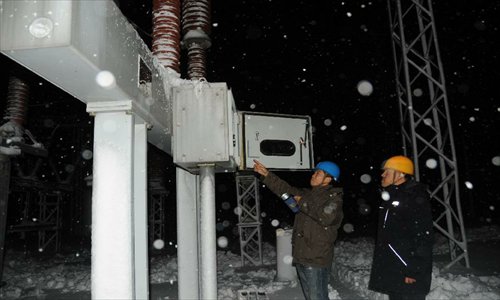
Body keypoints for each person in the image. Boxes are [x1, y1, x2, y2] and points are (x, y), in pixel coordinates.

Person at [253, 159, 343, 300]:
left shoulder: (334, 199)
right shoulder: (308, 194)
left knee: (317, 297)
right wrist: (267, 174)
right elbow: (284, 189)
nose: (313, 176)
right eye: (314, 173)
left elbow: (326, 217)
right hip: (302, 256)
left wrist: (302, 202)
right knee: (310, 296)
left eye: (318, 173)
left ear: (328, 179)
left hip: (316, 259)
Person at [369, 155, 433, 300]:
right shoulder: (392, 196)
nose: (383, 174)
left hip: (408, 270)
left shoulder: (414, 197)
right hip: (395, 268)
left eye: (387, 171)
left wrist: (413, 270)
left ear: (401, 174)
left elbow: (423, 236)